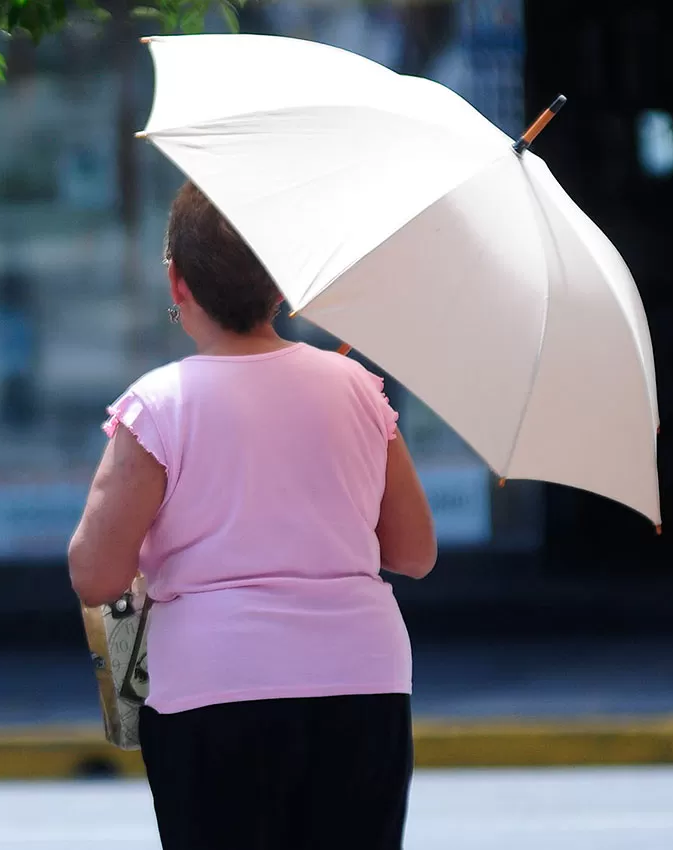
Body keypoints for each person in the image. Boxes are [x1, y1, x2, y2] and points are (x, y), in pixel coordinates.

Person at [67, 181, 438, 850]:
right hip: (364, 680)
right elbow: (414, 552)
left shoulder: (159, 406)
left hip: (214, 689)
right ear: (281, 285)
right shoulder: (356, 387)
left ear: (178, 282)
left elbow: (95, 574)